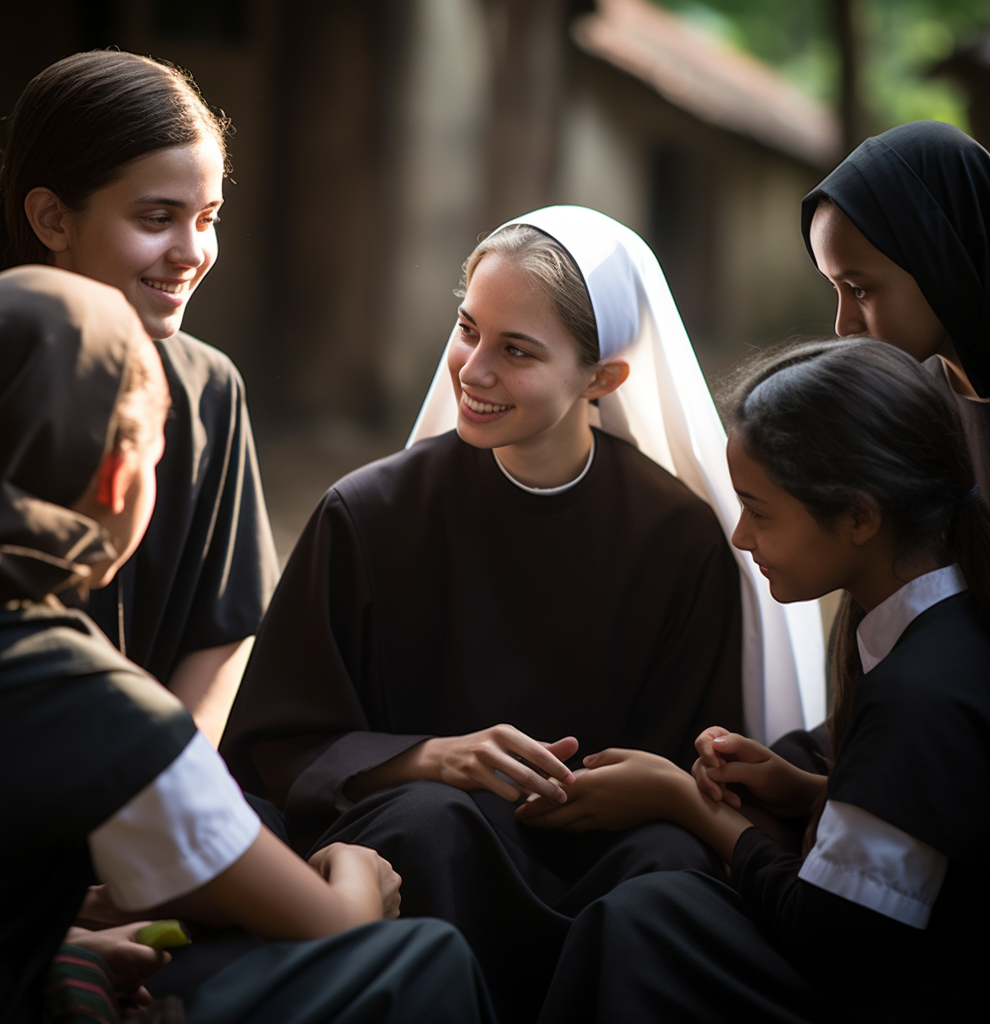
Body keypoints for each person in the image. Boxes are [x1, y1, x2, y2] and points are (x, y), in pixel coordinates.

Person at [222, 206, 824, 1021]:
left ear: (602, 378)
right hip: (432, 839)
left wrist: (625, 787)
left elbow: (700, 750)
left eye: (516, 350)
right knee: (426, 824)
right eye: (468, 329)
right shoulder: (368, 514)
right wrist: (431, 758)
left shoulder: (677, 536)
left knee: (668, 867)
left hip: (605, 847)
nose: (471, 368)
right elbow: (278, 743)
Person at [0, 265, 494, 1024]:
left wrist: (60, 948)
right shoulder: (88, 703)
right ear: (119, 480)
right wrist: (357, 874)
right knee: (423, 960)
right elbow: (334, 924)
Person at [533, 338, 988, 1022]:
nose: (741, 536)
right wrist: (810, 792)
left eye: (761, 510)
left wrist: (686, 802)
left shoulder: (919, 689)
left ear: (860, 517)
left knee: (646, 919)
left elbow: (827, 934)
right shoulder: (942, 622)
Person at [0, 50, 278, 746]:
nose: (192, 251)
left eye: (208, 216)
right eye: (157, 217)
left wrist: (172, 783)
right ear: (53, 218)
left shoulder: (209, 387)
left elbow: (224, 628)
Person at [801, 119, 990, 508]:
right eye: (834, 289)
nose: (842, 326)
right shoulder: (910, 414)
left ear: (941, 264)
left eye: (859, 290)